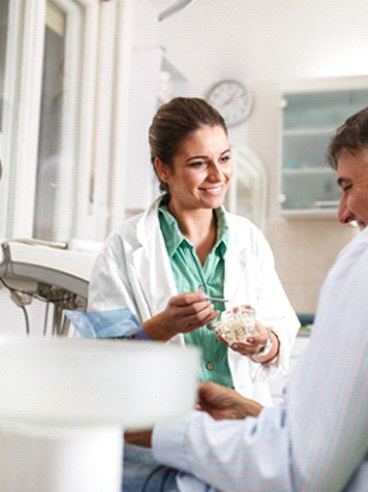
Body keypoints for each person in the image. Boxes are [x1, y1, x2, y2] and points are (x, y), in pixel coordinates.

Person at [119, 90, 368, 492]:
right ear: (164, 170)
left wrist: (163, 430)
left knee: (67, 477)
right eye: (199, 162)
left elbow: (295, 476)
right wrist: (256, 414)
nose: (343, 212)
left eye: (348, 186)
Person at [88, 97, 299, 406]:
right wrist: (164, 325)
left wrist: (263, 342)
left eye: (224, 158)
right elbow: (102, 357)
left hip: (239, 430)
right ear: (163, 169)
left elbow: (282, 336)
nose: (218, 175)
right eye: (199, 163)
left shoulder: (248, 240)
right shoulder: (124, 246)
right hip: (160, 429)